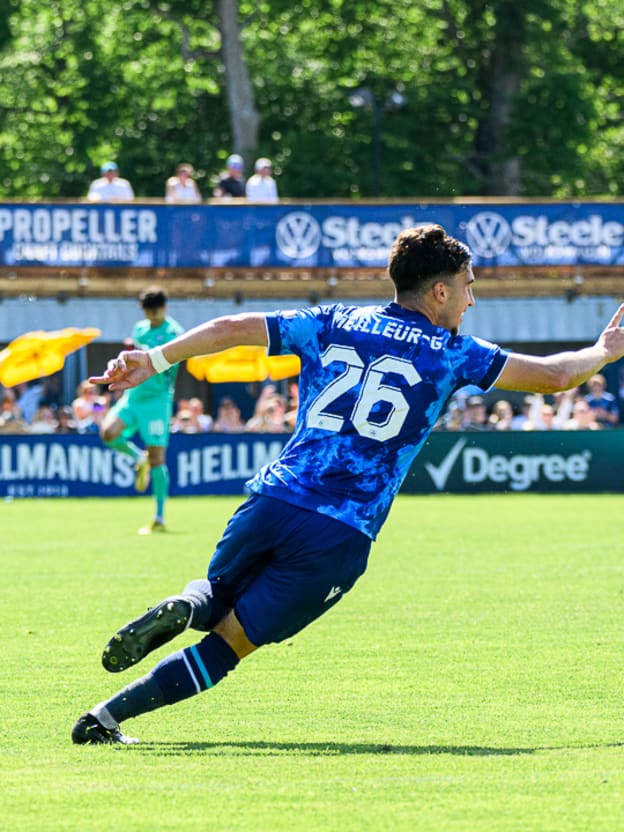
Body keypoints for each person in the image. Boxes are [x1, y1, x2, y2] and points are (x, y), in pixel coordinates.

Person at [71, 223, 624, 745]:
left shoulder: (333, 319)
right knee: (230, 641)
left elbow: (229, 328)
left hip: (272, 499)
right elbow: (555, 376)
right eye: (467, 287)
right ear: (439, 292)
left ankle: (186, 606)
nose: (471, 300)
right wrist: (606, 349)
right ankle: (104, 719)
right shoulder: (453, 353)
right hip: (340, 530)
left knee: (218, 596)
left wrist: (155, 359)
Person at [98, 286, 184, 535]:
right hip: (133, 397)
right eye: (148, 312)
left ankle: (159, 516)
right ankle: (138, 458)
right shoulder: (139, 329)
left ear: (164, 308)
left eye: (155, 312)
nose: (151, 317)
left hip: (157, 401)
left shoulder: (174, 333)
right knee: (108, 433)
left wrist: (144, 353)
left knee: (157, 459)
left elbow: (168, 363)